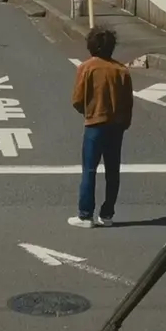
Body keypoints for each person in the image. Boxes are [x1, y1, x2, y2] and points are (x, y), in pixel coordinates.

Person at [69, 26, 134, 228]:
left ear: (91, 46)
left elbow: (77, 100)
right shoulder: (121, 70)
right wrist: (124, 123)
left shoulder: (86, 68)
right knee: (112, 171)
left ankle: (85, 215)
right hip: (117, 125)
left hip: (95, 123)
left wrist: (88, 111)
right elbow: (128, 102)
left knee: (89, 170)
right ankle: (107, 214)